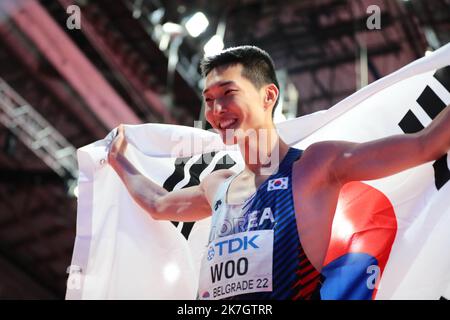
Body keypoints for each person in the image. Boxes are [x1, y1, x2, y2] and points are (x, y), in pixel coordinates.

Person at [108, 45, 450, 300]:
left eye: (228, 94)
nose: (216, 110)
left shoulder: (316, 166)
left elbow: (426, 144)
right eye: (208, 99)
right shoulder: (218, 185)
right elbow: (157, 203)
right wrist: (118, 160)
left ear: (268, 95)